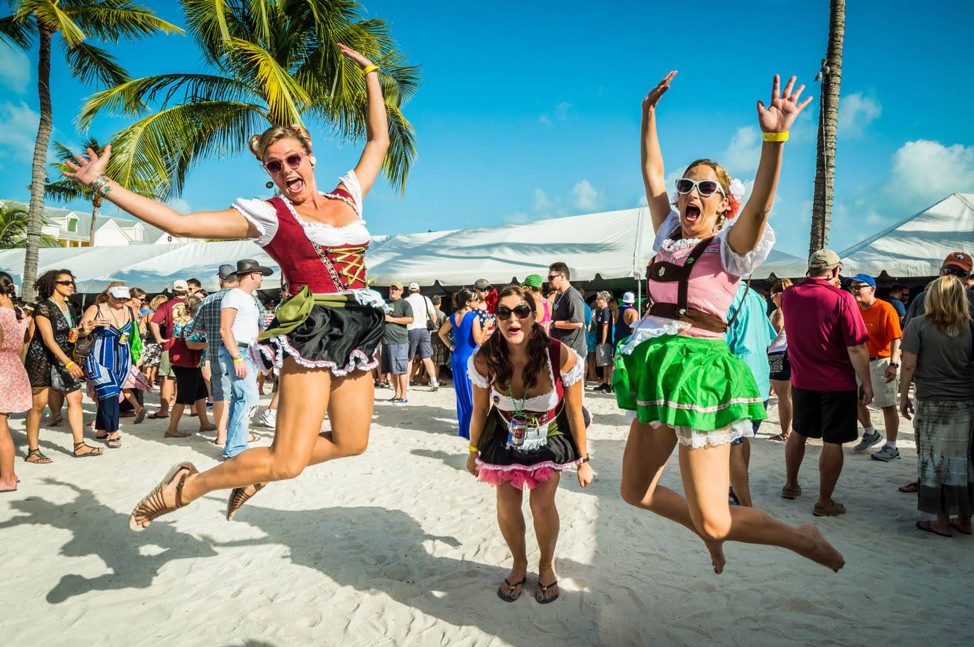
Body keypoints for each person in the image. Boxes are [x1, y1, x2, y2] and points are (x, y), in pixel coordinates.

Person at [64, 43, 390, 530]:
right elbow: (180, 223)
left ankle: (251, 469)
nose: (286, 171)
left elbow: (378, 141)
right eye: (275, 166)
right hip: (315, 328)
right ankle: (187, 485)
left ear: (310, 157)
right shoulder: (269, 216)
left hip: (360, 325)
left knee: (352, 442)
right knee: (287, 461)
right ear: (269, 174)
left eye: (293, 159)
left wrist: (370, 72)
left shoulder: (348, 195)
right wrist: (102, 185)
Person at [616, 71, 843, 572]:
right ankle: (707, 526)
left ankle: (798, 537)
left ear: (723, 204)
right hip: (657, 370)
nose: (690, 193)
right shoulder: (669, 236)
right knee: (635, 492)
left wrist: (775, 138)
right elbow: (652, 176)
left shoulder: (729, 247)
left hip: (700, 373)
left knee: (719, 520)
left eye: (705, 188)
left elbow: (760, 204)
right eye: (686, 186)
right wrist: (647, 115)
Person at [466, 286, 593, 603]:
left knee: (541, 504)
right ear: (496, 318)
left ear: (534, 316)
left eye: (521, 311)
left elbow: (576, 410)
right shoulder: (486, 356)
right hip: (507, 435)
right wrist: (472, 451)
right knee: (506, 504)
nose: (513, 319)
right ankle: (519, 563)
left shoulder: (558, 353)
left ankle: (546, 565)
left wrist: (584, 459)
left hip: (549, 435)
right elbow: (480, 410)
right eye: (504, 312)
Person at [781, 250, 872, 517]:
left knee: (799, 431)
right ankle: (824, 501)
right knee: (833, 441)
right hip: (836, 382)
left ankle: (790, 485)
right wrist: (866, 383)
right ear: (834, 271)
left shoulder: (790, 294)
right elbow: (856, 347)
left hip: (802, 379)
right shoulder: (842, 298)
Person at [899, 276, 974, 536]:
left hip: (932, 400)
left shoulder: (918, 325)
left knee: (933, 460)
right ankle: (965, 519)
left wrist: (903, 395)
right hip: (965, 401)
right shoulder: (970, 326)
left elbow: (908, 364)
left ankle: (941, 521)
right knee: (963, 460)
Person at [24, 270, 103, 461]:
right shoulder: (43, 307)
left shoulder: (68, 307)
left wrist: (86, 331)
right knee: (38, 405)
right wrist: (68, 363)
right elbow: (48, 339)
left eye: (71, 282)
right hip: (42, 358)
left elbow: (69, 335)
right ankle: (33, 451)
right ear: (53, 285)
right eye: (65, 282)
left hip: (64, 357)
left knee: (75, 399)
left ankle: (80, 445)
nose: (70, 286)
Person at [724, 282, 776, 507]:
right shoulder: (754, 296)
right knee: (743, 439)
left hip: (739, 381)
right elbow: (768, 338)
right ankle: (737, 489)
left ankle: (745, 503)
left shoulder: (724, 296)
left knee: (733, 444)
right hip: (759, 379)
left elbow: (719, 345)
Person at [220, 259, 272, 459]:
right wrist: (237, 357)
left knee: (241, 400)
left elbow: (251, 333)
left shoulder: (247, 298)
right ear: (252, 274)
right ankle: (235, 448)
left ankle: (235, 446)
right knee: (248, 399)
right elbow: (225, 329)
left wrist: (263, 327)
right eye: (260, 274)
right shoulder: (234, 295)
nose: (261, 278)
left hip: (246, 351)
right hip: (238, 352)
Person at [849, 273, 903, 461]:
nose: (854, 290)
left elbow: (897, 338)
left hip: (882, 361)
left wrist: (894, 363)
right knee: (854, 400)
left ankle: (892, 446)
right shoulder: (854, 308)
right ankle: (871, 433)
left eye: (859, 286)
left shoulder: (885, 308)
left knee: (887, 405)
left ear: (872, 289)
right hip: (859, 361)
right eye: (852, 287)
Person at [79, 286, 140, 448]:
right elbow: (80, 332)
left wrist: (137, 353)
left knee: (111, 393)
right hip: (99, 358)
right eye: (118, 297)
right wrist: (93, 324)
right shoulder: (96, 309)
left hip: (122, 359)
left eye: (124, 298)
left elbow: (137, 333)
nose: (121, 301)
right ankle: (113, 431)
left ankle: (101, 428)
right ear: (108, 294)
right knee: (110, 392)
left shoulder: (129, 310)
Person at [194, 264, 240, 446]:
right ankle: (239, 432)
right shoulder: (245, 298)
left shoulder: (207, 301)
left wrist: (212, 328)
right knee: (241, 394)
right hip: (240, 351)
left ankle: (221, 435)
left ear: (220, 280)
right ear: (236, 279)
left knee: (221, 395)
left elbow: (197, 326)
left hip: (215, 352)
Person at [163, 295, 215, 439]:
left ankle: (204, 423)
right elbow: (191, 345)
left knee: (200, 394)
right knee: (182, 398)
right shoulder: (192, 323)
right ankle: (171, 429)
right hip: (188, 364)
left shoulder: (182, 320)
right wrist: (209, 344)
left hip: (188, 363)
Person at [439, 289, 485, 439]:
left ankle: (464, 428)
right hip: (470, 358)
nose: (478, 301)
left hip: (457, 357)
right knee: (473, 394)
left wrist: (451, 346)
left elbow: (441, 333)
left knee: (461, 394)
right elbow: (478, 340)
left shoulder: (453, 316)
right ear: (467, 302)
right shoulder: (473, 316)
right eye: (475, 299)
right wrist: (487, 327)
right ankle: (474, 428)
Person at [0, 271, 30, 491]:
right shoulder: (19, 313)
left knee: (1, 429)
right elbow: (20, 347)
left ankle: (7, 478)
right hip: (12, 366)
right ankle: (8, 471)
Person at [149, 279, 190, 419]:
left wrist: (158, 338)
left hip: (171, 344)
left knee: (168, 378)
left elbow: (154, 322)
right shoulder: (194, 303)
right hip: (193, 344)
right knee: (193, 376)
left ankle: (164, 410)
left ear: (172, 291)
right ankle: (195, 409)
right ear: (187, 290)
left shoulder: (166, 305)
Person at [904, 252, 974, 326]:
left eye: (960, 273)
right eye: (948, 270)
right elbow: (907, 330)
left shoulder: (972, 298)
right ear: (940, 272)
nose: (952, 276)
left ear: (967, 278)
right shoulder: (922, 298)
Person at [767, 278, 793, 442]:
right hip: (787, 352)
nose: (772, 300)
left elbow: (772, 337)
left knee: (783, 396)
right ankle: (788, 430)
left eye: (772, 297)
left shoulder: (779, 313)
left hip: (778, 354)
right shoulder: (794, 310)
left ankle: (785, 432)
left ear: (777, 295)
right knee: (787, 395)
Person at [548, 263, 587, 363]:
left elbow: (578, 323)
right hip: (562, 350)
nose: (549, 281)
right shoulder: (559, 295)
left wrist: (553, 324)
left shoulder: (572, 296)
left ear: (562, 277)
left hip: (572, 352)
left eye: (551, 277)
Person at [404, 282, 439, 392]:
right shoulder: (425, 299)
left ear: (409, 291)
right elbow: (434, 316)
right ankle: (434, 382)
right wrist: (431, 329)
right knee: (427, 358)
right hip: (424, 330)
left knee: (409, 358)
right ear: (419, 290)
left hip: (410, 331)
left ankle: (407, 384)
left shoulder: (405, 301)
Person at [382, 281, 413, 404]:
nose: (393, 291)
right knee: (392, 370)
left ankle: (403, 397)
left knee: (401, 370)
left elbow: (410, 319)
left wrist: (392, 319)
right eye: (392, 288)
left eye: (396, 289)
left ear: (401, 291)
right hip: (386, 341)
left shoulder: (404, 304)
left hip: (399, 341)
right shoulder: (386, 304)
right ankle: (397, 394)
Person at [140, 294, 168, 384]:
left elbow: (139, 331)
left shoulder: (147, 316)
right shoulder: (165, 316)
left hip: (148, 344)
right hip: (161, 344)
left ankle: (145, 386)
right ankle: (153, 382)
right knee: (160, 369)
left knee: (146, 369)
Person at [593, 291, 615, 393]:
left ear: (604, 300)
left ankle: (609, 383)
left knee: (607, 363)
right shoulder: (600, 311)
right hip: (600, 339)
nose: (597, 301)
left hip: (605, 341)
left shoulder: (606, 311)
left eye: (598, 299)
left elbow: (605, 327)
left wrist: (603, 341)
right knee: (603, 363)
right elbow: (600, 325)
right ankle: (605, 382)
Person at [429, 295, 451, 382]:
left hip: (428, 341)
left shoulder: (428, 313)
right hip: (438, 341)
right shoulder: (441, 314)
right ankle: (435, 381)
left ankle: (429, 379)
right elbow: (445, 328)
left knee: (429, 362)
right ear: (440, 303)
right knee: (437, 363)